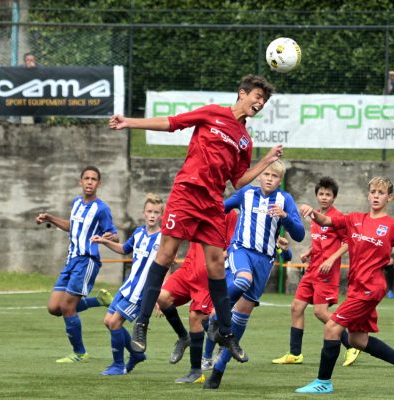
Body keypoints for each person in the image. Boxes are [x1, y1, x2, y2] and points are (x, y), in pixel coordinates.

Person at [109, 74, 282, 363]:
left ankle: (225, 332)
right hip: (187, 193)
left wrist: (264, 162)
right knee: (166, 254)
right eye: (257, 97)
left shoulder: (245, 140)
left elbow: (238, 181)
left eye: (264, 101)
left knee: (216, 265)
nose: (260, 103)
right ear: (242, 93)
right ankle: (141, 325)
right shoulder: (213, 113)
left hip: (213, 202)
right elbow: (172, 123)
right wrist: (130, 122)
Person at [295, 176, 394, 395]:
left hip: (371, 288)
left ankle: (324, 381)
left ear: (389, 198)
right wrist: (311, 212)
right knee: (357, 339)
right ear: (368, 194)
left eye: (381, 193)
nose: (376, 196)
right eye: (373, 192)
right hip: (356, 286)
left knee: (332, 327)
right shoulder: (354, 218)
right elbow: (326, 222)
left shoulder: (392, 227)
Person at [204, 159, 305, 389]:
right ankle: (215, 319)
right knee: (242, 279)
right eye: (266, 174)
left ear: (280, 180)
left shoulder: (285, 200)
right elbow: (221, 210)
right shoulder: (245, 193)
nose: (269, 178)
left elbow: (299, 234)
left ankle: (218, 371)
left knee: (242, 316)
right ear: (259, 175)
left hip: (264, 261)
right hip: (241, 250)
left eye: (275, 176)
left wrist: (286, 217)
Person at [272, 176, 361, 367]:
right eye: (321, 193)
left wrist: (330, 259)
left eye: (328, 194)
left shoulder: (336, 218)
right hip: (312, 269)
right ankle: (295, 354)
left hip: (327, 273)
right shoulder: (315, 217)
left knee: (321, 312)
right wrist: (309, 251)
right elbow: (319, 240)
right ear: (316, 195)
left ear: (334, 198)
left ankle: (352, 345)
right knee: (296, 307)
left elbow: (347, 243)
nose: (324, 197)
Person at [35, 165, 116, 363]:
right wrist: (50, 218)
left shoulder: (102, 209)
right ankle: (99, 300)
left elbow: (114, 233)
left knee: (67, 307)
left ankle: (80, 353)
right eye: (86, 178)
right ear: (80, 182)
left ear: (98, 183)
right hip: (71, 260)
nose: (89, 182)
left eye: (93, 179)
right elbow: (73, 226)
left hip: (86, 261)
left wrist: (108, 237)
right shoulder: (76, 203)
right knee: (54, 308)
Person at [157, 210, 238, 384]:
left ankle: (196, 371)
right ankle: (183, 337)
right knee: (162, 297)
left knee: (195, 317)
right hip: (188, 269)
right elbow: (178, 234)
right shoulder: (194, 207)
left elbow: (233, 246)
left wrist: (216, 258)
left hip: (207, 278)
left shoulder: (229, 215)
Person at [90, 193, 164, 375]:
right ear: (144, 213)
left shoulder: (164, 239)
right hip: (127, 287)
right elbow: (124, 249)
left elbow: (166, 268)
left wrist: (160, 296)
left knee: (115, 322)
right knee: (108, 321)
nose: (153, 215)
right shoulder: (138, 232)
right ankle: (136, 354)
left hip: (141, 293)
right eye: (149, 211)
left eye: (156, 212)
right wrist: (104, 241)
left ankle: (118, 365)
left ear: (161, 215)